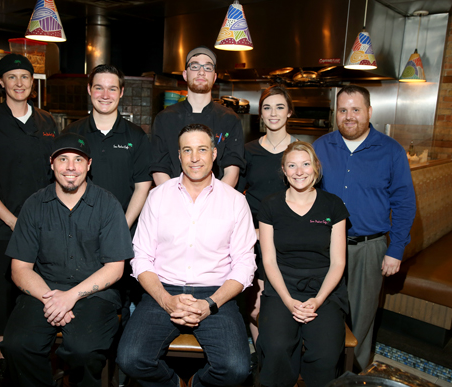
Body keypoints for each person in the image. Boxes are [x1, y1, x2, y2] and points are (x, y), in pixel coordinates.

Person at [117, 124, 257, 387]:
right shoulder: (157, 197)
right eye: (187, 150)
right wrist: (166, 299)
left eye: (202, 149)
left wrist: (210, 304)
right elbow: (141, 257)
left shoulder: (235, 201)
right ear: (178, 156)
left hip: (216, 293)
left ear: (214, 154)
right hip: (162, 290)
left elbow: (244, 264)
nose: (195, 158)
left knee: (236, 369)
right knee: (131, 359)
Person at [0, 133, 134, 386]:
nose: (70, 167)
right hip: (44, 290)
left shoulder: (108, 204)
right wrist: (52, 300)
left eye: (78, 160)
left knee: (83, 350)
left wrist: (70, 296)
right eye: (63, 159)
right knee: (18, 345)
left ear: (89, 165)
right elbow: (19, 268)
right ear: (52, 163)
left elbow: (115, 268)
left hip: (95, 294)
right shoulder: (34, 204)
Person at [0, 53, 58, 382]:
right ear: (0, 82)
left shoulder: (46, 122)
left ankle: (35, 352)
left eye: (25, 77)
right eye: (12, 77)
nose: (19, 83)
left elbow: (54, 176)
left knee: (35, 291)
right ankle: (5, 360)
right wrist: (13, 221)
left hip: (41, 226)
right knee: (2, 294)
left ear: (33, 83)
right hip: (0, 226)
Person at [312, 85, 416, 371]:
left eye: (356, 110)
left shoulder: (391, 151)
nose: (349, 116)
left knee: (361, 317)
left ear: (369, 112)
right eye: (343, 110)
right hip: (324, 246)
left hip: (369, 248)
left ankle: (355, 374)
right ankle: (322, 370)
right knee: (321, 310)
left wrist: (395, 250)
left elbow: (405, 203)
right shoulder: (320, 147)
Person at [256, 141, 348, 387]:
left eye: (306, 164)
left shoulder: (333, 205)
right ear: (284, 171)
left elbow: (338, 262)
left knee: (326, 353)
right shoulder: (270, 205)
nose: (299, 171)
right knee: (276, 348)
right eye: (292, 165)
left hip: (324, 289)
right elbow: (269, 260)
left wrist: (317, 300)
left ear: (316, 167)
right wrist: (288, 300)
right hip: (281, 287)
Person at [237, 84, 297, 345]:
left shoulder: (300, 151)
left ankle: (276, 357)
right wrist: (252, 230)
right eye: (267, 107)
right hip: (254, 237)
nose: (273, 113)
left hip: (287, 238)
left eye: (280, 107)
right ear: (260, 113)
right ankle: (263, 359)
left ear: (290, 112)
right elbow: (236, 195)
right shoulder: (248, 150)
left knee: (282, 304)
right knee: (255, 305)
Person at [65, 64, 151, 231]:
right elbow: (61, 182)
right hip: (77, 230)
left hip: (123, 229)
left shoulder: (136, 135)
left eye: (112, 89)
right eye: (99, 88)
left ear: (121, 92)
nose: (105, 95)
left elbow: (142, 186)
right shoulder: (71, 133)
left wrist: (122, 227)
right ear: (89, 89)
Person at [150, 46, 245, 187]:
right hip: (174, 203)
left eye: (207, 68)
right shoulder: (165, 118)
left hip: (216, 203)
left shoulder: (229, 119)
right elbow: (159, 168)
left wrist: (213, 201)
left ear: (214, 77)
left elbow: (232, 171)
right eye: (194, 66)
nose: (201, 72)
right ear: (185, 74)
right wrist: (175, 200)